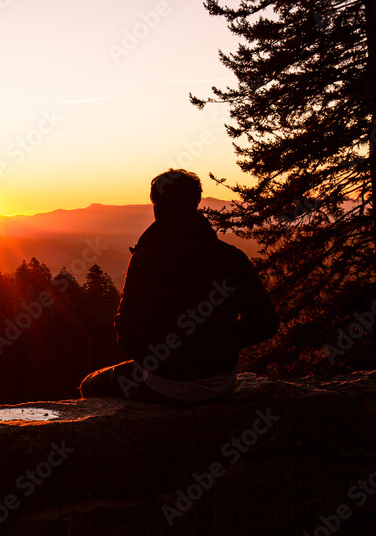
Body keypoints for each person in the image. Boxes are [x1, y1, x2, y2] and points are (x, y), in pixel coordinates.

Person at [80, 169, 279, 404]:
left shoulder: (147, 257)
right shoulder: (230, 256)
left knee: (90, 384)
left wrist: (162, 356)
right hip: (221, 382)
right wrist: (218, 344)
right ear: (195, 203)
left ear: (156, 206)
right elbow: (266, 323)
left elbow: (126, 328)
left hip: (166, 383)